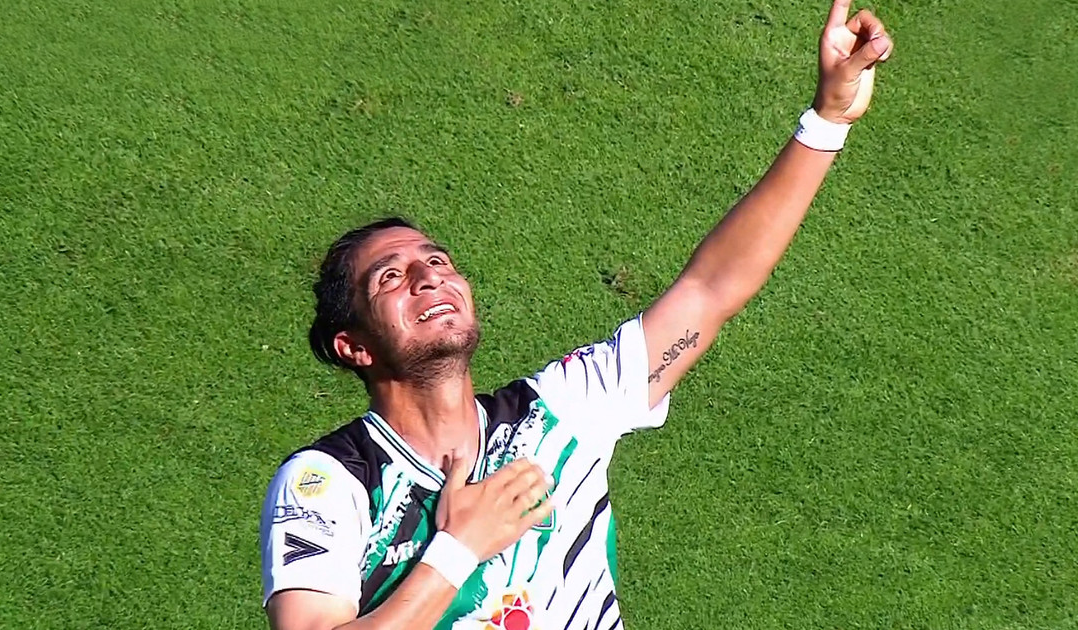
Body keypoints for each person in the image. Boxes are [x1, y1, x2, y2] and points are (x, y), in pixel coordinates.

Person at [260, 1, 893, 628]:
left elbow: (710, 289)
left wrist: (828, 120)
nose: (430, 277)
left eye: (437, 260)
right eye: (391, 277)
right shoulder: (330, 482)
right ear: (354, 345)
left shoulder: (563, 412)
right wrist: (457, 550)